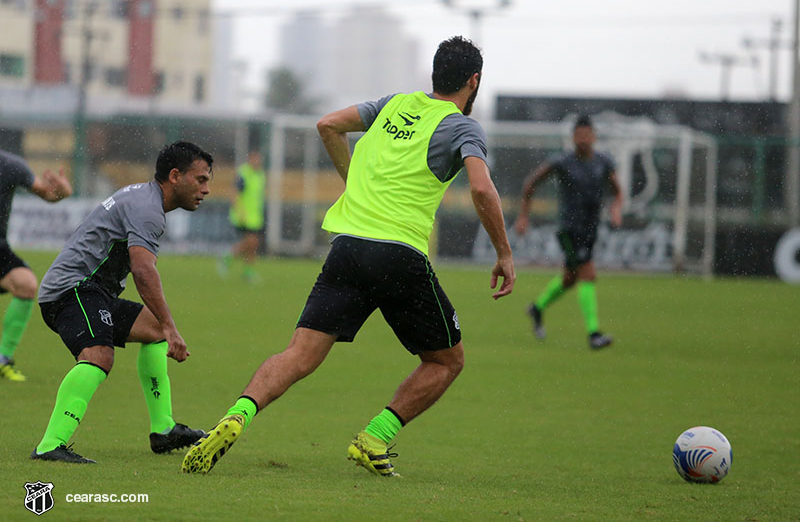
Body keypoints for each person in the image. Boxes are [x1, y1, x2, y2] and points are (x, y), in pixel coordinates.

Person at [182, 36, 515, 477]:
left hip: (347, 247)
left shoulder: (394, 104)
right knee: (446, 360)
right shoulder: (463, 127)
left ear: (434, 73)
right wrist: (505, 253)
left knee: (299, 354)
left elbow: (327, 125)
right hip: (398, 254)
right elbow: (480, 187)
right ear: (473, 81)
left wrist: (352, 181)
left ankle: (237, 415)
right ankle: (374, 438)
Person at [31, 141, 213, 463]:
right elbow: (143, 270)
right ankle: (50, 445)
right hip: (71, 289)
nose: (207, 189)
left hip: (92, 291)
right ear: (175, 176)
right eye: (200, 179)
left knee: (154, 329)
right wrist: (174, 328)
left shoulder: (145, 199)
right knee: (99, 355)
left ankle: (164, 429)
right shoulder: (148, 209)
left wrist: (165, 327)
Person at [513, 115, 623, 350]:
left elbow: (618, 191)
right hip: (569, 229)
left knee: (570, 278)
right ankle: (594, 334)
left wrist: (615, 210)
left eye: (587, 135)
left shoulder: (604, 162)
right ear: (573, 138)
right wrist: (523, 216)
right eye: (578, 135)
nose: (583, 140)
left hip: (591, 227)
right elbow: (530, 184)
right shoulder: (562, 162)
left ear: (594, 137)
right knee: (587, 274)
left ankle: (537, 308)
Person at [0, 149, 73, 381]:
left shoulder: (11, 166)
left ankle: (3, 358)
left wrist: (63, 191)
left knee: (26, 284)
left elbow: (48, 194)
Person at [218, 148, 266, 283]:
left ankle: (247, 271)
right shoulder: (244, 173)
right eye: (254, 158)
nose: (257, 161)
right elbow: (234, 192)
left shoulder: (260, 174)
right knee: (251, 242)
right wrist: (239, 210)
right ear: (250, 159)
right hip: (243, 216)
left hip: (255, 216)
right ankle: (229, 257)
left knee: (253, 245)